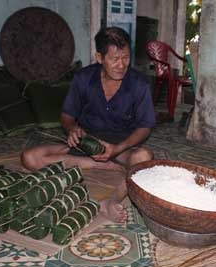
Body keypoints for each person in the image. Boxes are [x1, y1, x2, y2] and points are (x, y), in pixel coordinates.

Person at [21, 26, 156, 221]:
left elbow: (145, 127)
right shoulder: (83, 79)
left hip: (122, 146)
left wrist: (118, 148)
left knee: (144, 158)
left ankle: (111, 201)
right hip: (87, 144)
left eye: (126, 57)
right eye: (114, 59)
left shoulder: (139, 84)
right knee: (30, 158)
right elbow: (67, 116)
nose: (121, 65)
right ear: (99, 58)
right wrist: (71, 129)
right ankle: (101, 165)